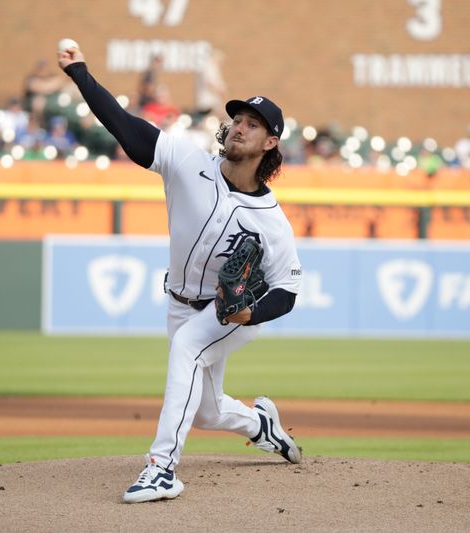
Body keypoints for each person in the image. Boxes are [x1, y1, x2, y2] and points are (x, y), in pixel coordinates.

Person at [58, 41, 303, 504]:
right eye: (238, 120)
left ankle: (162, 468)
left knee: (190, 348)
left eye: (253, 125)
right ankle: (261, 424)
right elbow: (126, 128)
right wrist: (80, 74)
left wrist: (249, 314)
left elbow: (288, 289)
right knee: (207, 410)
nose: (240, 128)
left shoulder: (271, 220)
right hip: (178, 301)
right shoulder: (188, 163)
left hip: (227, 314)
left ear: (270, 143)